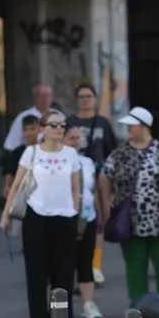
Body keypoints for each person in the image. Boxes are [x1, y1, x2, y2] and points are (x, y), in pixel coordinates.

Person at [99, 107, 159, 318]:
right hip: (129, 221)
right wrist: (106, 204)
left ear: (145, 127)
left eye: (133, 125)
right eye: (127, 125)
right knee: (135, 265)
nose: (128, 128)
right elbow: (105, 177)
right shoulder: (119, 154)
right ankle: (138, 303)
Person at [0, 111, 80, 318]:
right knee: (37, 275)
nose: (59, 129)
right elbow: (15, 186)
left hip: (65, 219)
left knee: (63, 275)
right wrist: (5, 215)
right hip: (36, 217)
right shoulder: (31, 152)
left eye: (62, 125)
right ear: (43, 128)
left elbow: (76, 188)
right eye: (53, 124)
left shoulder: (71, 154)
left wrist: (74, 209)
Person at [66, 82, 118, 286]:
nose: (85, 101)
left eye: (88, 96)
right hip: (76, 173)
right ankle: (75, 266)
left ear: (95, 99)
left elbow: (112, 150)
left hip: (99, 175)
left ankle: (94, 266)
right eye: (81, 97)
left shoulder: (103, 123)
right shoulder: (71, 121)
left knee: (97, 222)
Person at [63, 125, 102, 318]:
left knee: (85, 262)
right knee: (65, 263)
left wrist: (100, 213)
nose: (76, 141)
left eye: (78, 138)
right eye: (71, 137)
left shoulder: (87, 162)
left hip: (88, 217)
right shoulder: (60, 160)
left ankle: (88, 303)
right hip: (65, 218)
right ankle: (63, 305)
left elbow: (93, 190)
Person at [2, 84, 64, 151]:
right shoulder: (22, 117)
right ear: (35, 97)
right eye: (41, 95)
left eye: (47, 95)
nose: (45, 98)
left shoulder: (59, 115)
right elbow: (11, 145)